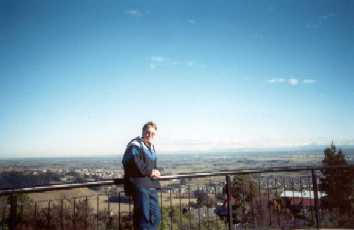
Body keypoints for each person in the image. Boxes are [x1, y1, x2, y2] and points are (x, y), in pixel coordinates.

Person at [122, 121, 161, 230]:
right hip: (140, 186)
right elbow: (134, 162)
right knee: (143, 218)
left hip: (151, 185)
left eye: (153, 134)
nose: (150, 135)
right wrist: (150, 172)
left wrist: (156, 171)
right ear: (143, 132)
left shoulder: (151, 147)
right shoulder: (135, 145)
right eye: (147, 132)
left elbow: (153, 166)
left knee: (156, 217)